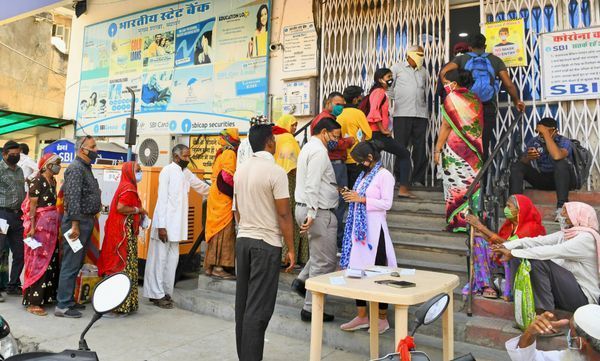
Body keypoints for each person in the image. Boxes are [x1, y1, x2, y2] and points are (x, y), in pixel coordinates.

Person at [234, 123, 296, 361]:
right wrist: (291, 248)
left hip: (244, 240)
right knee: (258, 311)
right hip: (265, 243)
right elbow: (284, 214)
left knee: (244, 306)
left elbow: (236, 210)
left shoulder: (241, 170)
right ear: (270, 142)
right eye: (275, 138)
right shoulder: (275, 172)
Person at [494, 202, 600, 313]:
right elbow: (538, 241)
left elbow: (552, 251)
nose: (562, 214)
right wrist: (506, 246)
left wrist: (513, 252)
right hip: (565, 290)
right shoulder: (567, 233)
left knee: (538, 262)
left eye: (566, 211)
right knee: (520, 257)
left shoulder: (586, 238)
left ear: (579, 215)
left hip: (582, 298)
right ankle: (520, 302)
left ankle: (545, 313)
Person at [339, 141, 397, 334]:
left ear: (370, 158)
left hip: (375, 230)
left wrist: (361, 199)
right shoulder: (364, 176)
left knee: (379, 272)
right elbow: (359, 197)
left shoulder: (384, 175)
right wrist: (351, 195)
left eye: (360, 160)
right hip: (360, 230)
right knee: (357, 271)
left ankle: (382, 319)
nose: (358, 164)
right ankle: (362, 316)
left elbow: (387, 203)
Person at [143, 145, 210, 308]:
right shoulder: (167, 171)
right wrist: (161, 226)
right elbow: (162, 200)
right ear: (176, 157)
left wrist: (222, 192)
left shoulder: (185, 173)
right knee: (159, 260)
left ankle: (166, 292)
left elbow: (202, 187)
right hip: (164, 226)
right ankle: (156, 294)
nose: (188, 159)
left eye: (189, 156)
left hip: (177, 228)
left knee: (171, 261)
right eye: (186, 156)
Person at [440, 33, 525, 159]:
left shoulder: (462, 59)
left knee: (466, 141)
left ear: (469, 47)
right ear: (485, 46)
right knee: (483, 144)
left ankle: (468, 175)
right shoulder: (495, 60)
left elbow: (444, 72)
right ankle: (482, 177)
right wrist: (516, 100)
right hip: (487, 107)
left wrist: (452, 93)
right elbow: (509, 84)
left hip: (467, 107)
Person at [292, 118, 340, 322]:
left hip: (310, 209)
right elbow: (312, 185)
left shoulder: (308, 147)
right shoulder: (319, 152)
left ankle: (302, 280)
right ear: (324, 132)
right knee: (325, 263)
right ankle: (311, 309)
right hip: (318, 212)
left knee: (322, 254)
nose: (336, 141)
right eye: (335, 136)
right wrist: (312, 214)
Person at [465, 195, 546, 300]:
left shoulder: (531, 227)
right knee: (478, 241)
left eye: (509, 206)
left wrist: (481, 227)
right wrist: (483, 235)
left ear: (520, 209)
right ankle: (487, 285)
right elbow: (498, 241)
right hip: (502, 259)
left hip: (521, 262)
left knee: (506, 251)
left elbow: (511, 244)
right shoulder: (510, 225)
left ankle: (509, 290)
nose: (506, 209)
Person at [56, 136, 101, 318]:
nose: (96, 149)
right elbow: (72, 199)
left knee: (77, 262)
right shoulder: (75, 169)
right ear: (82, 149)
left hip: (85, 221)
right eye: (93, 146)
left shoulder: (85, 168)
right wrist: (75, 225)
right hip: (77, 222)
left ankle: (68, 300)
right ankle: (63, 306)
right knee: (71, 262)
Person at [434, 69, 482, 232]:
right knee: (470, 185)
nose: (446, 86)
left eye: (447, 83)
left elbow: (446, 125)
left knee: (455, 185)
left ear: (455, 83)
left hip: (455, 150)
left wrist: (437, 149)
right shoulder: (474, 99)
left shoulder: (452, 98)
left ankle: (459, 223)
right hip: (473, 151)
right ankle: (472, 222)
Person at [97, 161, 146, 315]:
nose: (140, 173)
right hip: (123, 234)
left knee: (122, 265)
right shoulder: (129, 188)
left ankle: (120, 304)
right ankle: (120, 305)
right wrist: (139, 210)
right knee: (123, 265)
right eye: (138, 170)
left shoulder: (125, 185)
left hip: (122, 231)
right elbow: (121, 208)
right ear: (130, 172)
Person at [310, 92, 354, 248]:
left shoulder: (321, 118)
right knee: (338, 203)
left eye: (343, 104)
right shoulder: (325, 121)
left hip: (333, 162)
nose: (340, 107)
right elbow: (332, 144)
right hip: (334, 163)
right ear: (328, 103)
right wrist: (347, 141)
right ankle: (337, 240)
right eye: (337, 104)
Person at [21, 153, 62, 316]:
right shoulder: (37, 180)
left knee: (51, 259)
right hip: (39, 225)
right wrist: (31, 226)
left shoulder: (53, 181)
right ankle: (33, 301)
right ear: (46, 165)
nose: (58, 166)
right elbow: (32, 205)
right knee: (39, 260)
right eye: (55, 163)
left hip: (51, 226)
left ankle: (45, 296)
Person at [510, 117, 574, 218]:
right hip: (542, 178)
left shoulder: (565, 142)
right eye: (539, 132)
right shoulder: (534, 141)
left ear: (554, 131)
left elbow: (557, 156)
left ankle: (561, 209)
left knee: (561, 164)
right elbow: (523, 161)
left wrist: (546, 135)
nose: (540, 135)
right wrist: (528, 157)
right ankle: (515, 206)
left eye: (543, 132)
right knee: (517, 166)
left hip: (562, 180)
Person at [365, 68, 412, 198]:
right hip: (377, 134)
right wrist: (383, 130)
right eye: (388, 76)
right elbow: (374, 113)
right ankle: (403, 188)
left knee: (371, 161)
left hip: (375, 133)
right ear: (380, 80)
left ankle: (369, 189)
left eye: (391, 76)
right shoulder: (379, 92)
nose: (391, 79)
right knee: (404, 154)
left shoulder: (378, 92)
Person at [390, 45, 429, 186]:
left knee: (420, 148)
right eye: (419, 54)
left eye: (423, 54)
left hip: (420, 114)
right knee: (401, 146)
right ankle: (400, 178)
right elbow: (388, 87)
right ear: (410, 54)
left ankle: (418, 179)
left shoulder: (423, 71)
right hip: (402, 114)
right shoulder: (397, 68)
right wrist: (398, 98)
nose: (421, 57)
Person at [204, 128, 240, 280]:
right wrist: (237, 192)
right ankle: (219, 267)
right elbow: (227, 177)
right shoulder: (229, 153)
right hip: (223, 197)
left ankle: (210, 267)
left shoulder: (221, 152)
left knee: (214, 230)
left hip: (215, 196)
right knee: (224, 230)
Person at [506, 304, 600, 360]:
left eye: (571, 332)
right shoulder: (573, 357)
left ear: (580, 342)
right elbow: (526, 359)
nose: (568, 336)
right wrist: (530, 333)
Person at [274, 115, 308, 266]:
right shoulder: (288, 139)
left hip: (276, 181)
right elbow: (295, 164)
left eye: (296, 125)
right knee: (292, 216)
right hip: (291, 181)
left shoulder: (275, 137)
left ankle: (282, 255)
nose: (294, 128)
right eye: (293, 125)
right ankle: (291, 254)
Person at [0, 140, 26, 300]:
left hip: (17, 216)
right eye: (13, 154)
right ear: (4, 154)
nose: (16, 157)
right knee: (0, 250)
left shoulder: (20, 171)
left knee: (20, 252)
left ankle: (13, 284)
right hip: (2, 215)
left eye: (18, 154)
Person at [338, 85, 373, 192]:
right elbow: (369, 134)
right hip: (355, 158)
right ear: (354, 100)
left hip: (340, 157)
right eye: (360, 97)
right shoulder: (358, 113)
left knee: (344, 192)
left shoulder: (338, 112)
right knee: (356, 190)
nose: (361, 99)